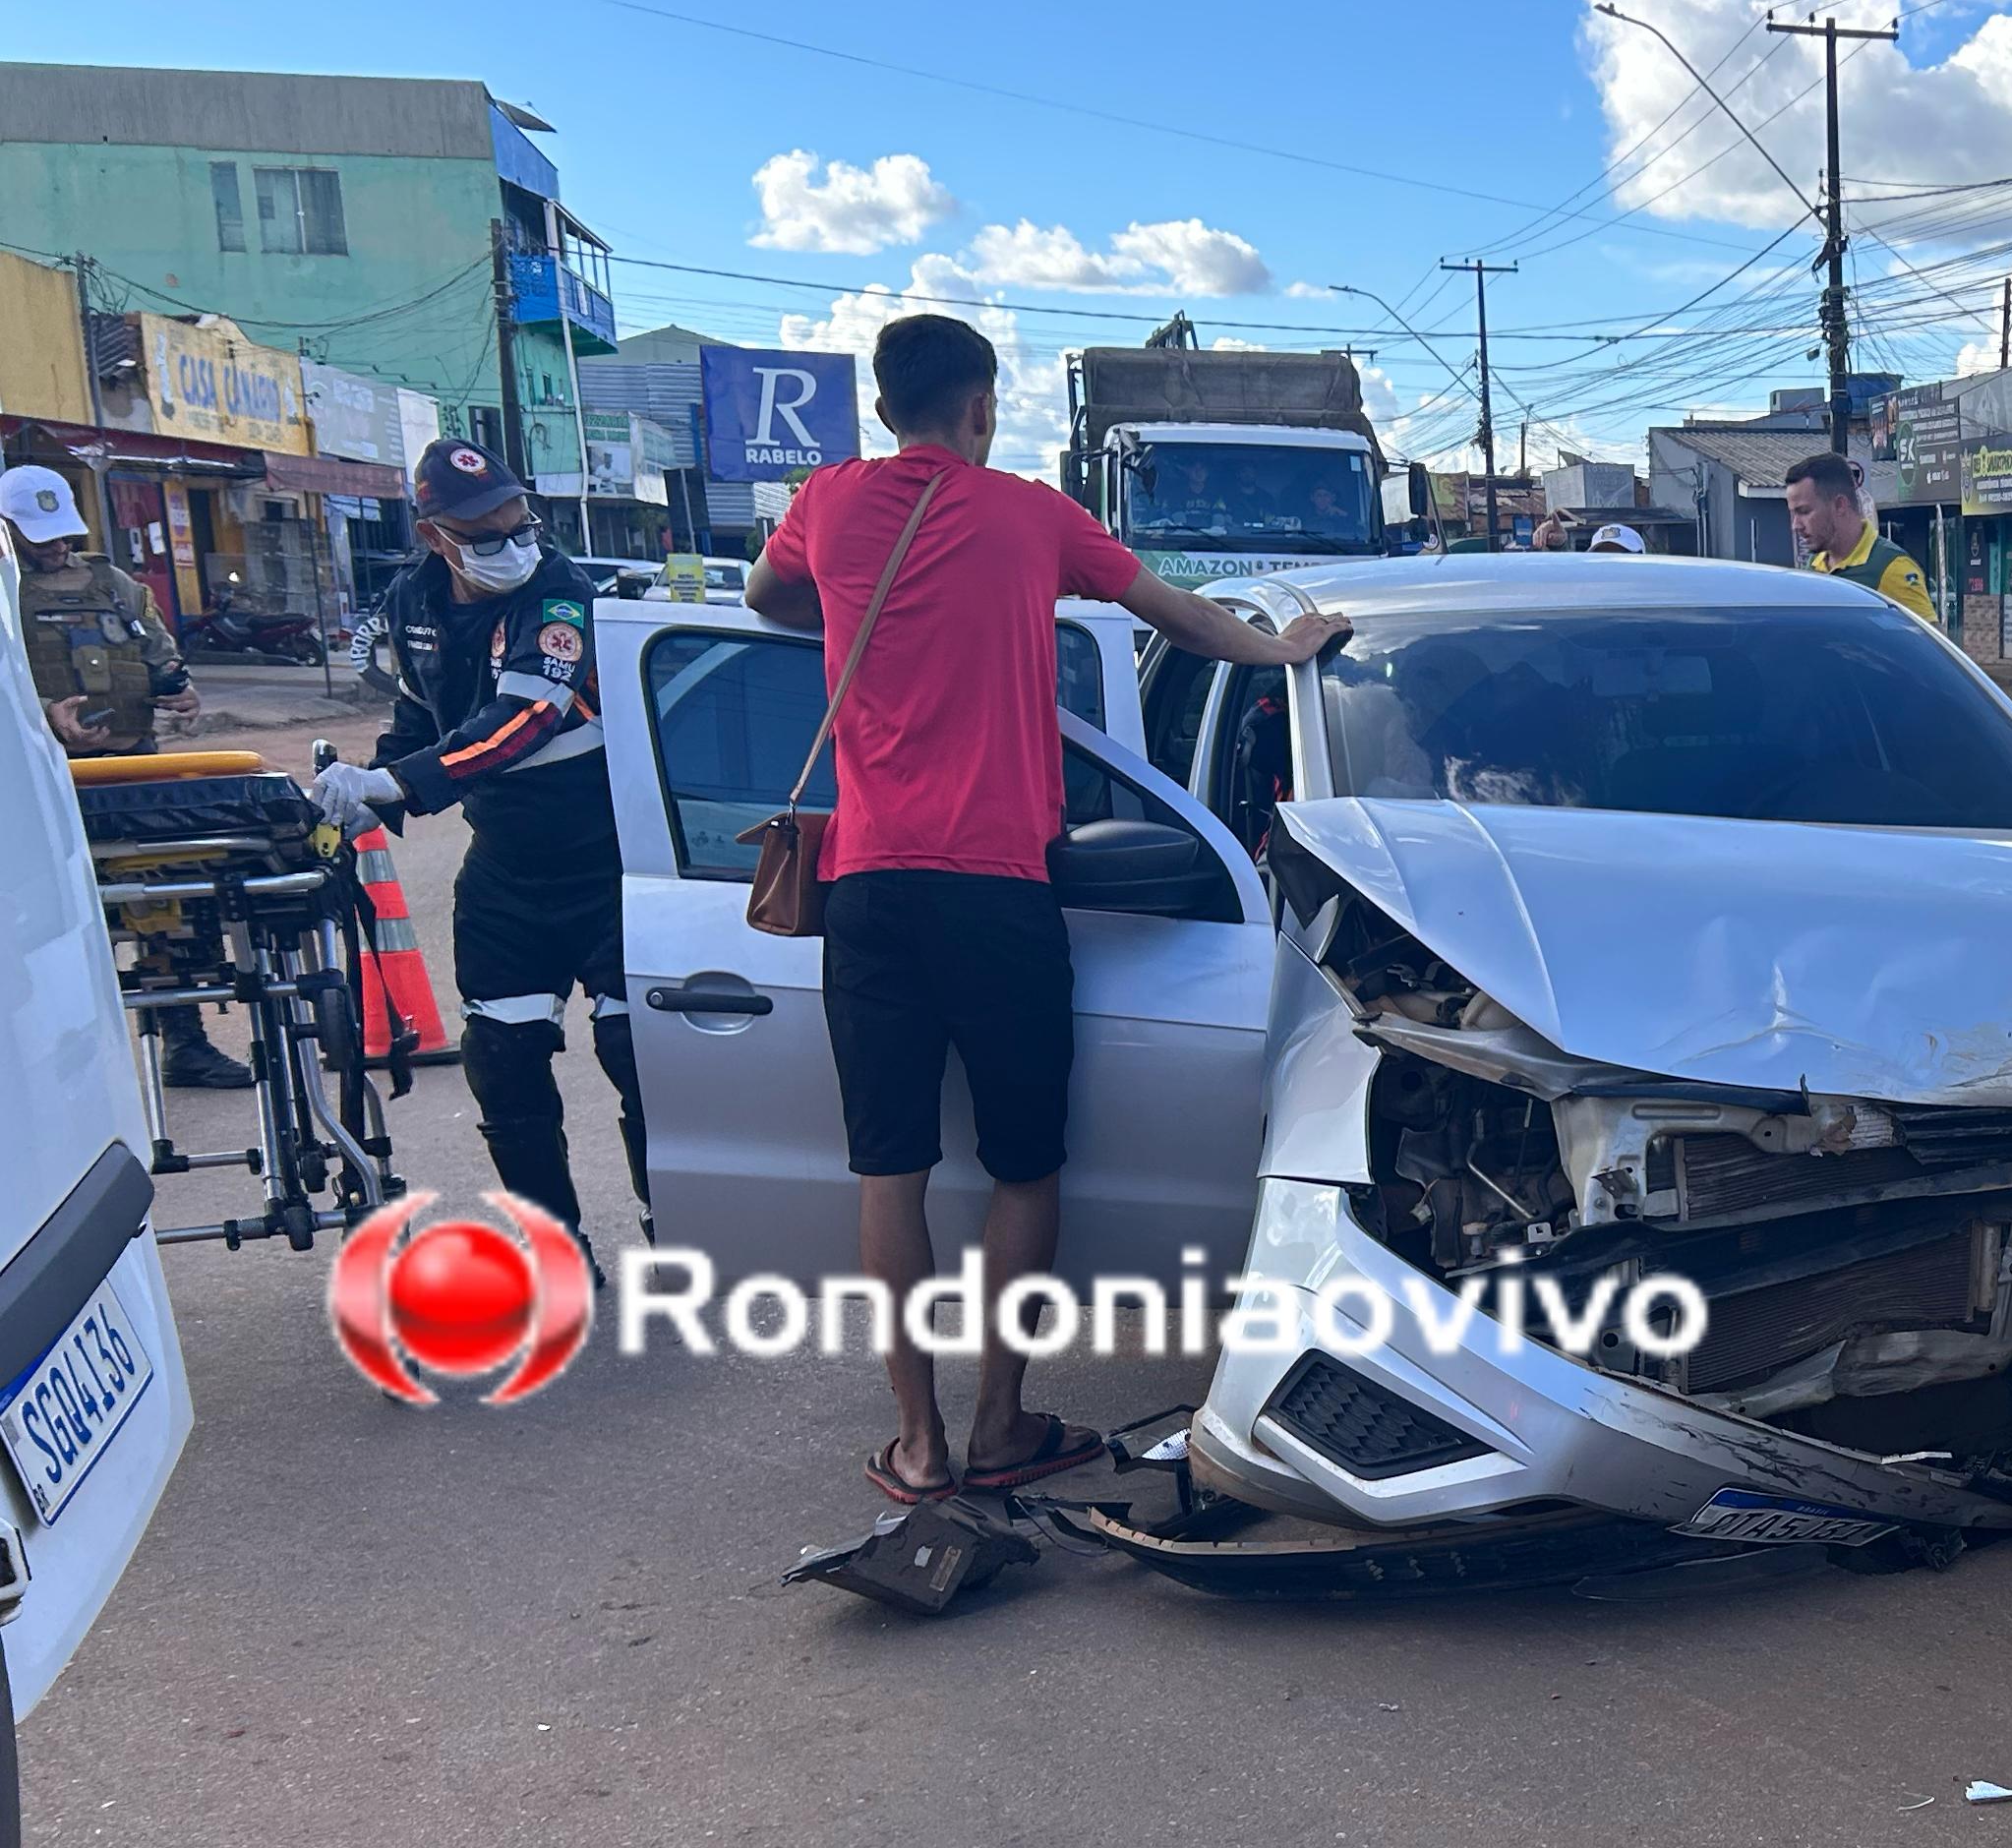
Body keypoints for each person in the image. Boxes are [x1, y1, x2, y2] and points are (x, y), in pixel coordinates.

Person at [744, 312, 1350, 1507]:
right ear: (980, 408)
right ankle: (1003, 1424)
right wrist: (1289, 651)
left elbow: (769, 597)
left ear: (882, 409)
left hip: (866, 890)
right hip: (998, 896)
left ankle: (916, 1447)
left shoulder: (826, 504)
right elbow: (1183, 619)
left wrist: (863, 614)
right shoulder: (1032, 516)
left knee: (890, 1175)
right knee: (1025, 1172)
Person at [312, 440, 634, 1230]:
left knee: (643, 1060)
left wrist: (401, 785)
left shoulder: (559, 595)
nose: (514, 545)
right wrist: (363, 791)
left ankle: (680, 1230)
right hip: (507, 876)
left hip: (610, 870)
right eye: (487, 536)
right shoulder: (412, 604)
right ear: (435, 536)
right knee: (503, 1064)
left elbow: (522, 720)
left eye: (519, 522)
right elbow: (422, 715)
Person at [8, 465, 246, 1091]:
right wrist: (40, 720)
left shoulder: (116, 585)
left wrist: (185, 695)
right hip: (40, 781)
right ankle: (63, 1054)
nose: (55, 547)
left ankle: (185, 1042)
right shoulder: (5, 593)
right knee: (54, 917)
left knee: (164, 902)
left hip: (136, 769)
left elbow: (160, 658)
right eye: (38, 537)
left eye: (61, 534)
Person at [1784, 454, 1933, 624]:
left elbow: (1934, 644)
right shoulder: (1813, 565)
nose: (1796, 525)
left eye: (1804, 512)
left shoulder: (1891, 567)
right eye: (1793, 514)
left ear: (1840, 505)